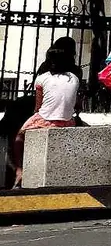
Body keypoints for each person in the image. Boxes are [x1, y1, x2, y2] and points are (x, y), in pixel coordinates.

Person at [13, 45, 81, 187]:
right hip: (68, 121)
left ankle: (20, 170)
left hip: (45, 119)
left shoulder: (42, 78)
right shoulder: (74, 78)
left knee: (19, 138)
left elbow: (38, 107)